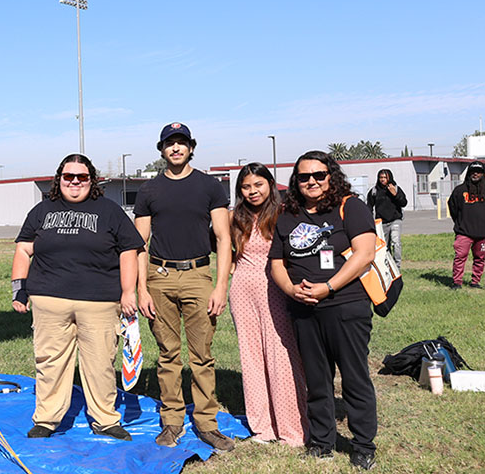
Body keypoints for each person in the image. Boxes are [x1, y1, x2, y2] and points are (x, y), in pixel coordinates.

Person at [12, 154, 142, 441]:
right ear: (59, 179)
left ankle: (106, 420)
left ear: (91, 180)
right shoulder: (41, 211)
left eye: (81, 177)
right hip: (49, 300)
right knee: (50, 362)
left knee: (100, 363)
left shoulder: (109, 211)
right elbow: (23, 250)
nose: (74, 182)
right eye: (68, 176)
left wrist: (128, 292)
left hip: (99, 302)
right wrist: (18, 289)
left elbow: (129, 250)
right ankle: (47, 419)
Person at [269, 151, 377, 470]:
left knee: (354, 377)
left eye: (319, 175)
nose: (312, 181)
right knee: (317, 380)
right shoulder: (287, 213)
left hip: (345, 305)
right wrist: (291, 290)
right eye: (304, 177)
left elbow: (365, 253)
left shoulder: (349, 206)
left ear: (331, 175)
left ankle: (362, 444)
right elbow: (276, 262)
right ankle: (322, 440)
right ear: (296, 181)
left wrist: (328, 287)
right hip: (303, 309)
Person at [133, 122, 235, 453]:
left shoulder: (209, 186)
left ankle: (207, 423)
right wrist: (141, 289)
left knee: (202, 355)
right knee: (168, 354)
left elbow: (223, 237)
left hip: (198, 276)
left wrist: (221, 286)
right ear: (161, 149)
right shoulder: (149, 190)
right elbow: (139, 243)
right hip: (159, 277)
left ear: (191, 147)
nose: (175, 148)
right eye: (169, 144)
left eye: (181, 143)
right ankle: (172, 421)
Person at [228, 163, 307, 446]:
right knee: (251, 359)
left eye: (258, 185)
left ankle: (293, 428)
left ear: (270, 184)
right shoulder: (234, 217)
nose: (252, 192)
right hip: (242, 290)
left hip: (276, 287)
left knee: (281, 355)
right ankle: (263, 426)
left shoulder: (285, 214)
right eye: (246, 187)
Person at [447, 160, 485, 290]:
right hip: (464, 232)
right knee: (460, 257)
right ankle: (457, 282)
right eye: (473, 171)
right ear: (468, 173)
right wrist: (459, 221)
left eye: (479, 172)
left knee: (480, 258)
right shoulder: (460, 190)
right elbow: (452, 207)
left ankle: (475, 282)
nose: (476, 174)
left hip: (482, 234)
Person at [366, 168, 407, 269]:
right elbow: (369, 207)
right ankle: (388, 265)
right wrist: (370, 221)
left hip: (395, 220)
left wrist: (395, 194)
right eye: (381, 178)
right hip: (381, 222)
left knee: (396, 242)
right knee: (385, 246)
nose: (383, 180)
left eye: (385, 177)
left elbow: (404, 203)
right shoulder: (374, 191)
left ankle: (397, 266)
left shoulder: (395, 188)